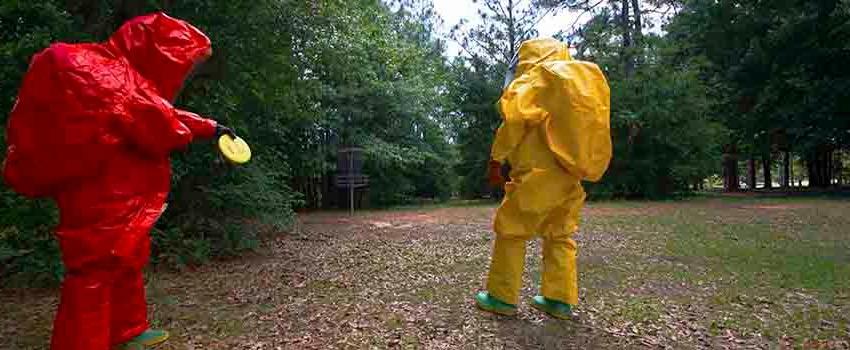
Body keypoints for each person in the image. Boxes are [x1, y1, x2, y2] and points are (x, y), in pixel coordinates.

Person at [2, 12, 234, 350]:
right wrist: (205, 129)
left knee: (127, 259)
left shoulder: (114, 73)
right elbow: (162, 125)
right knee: (96, 271)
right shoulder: (114, 78)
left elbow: (156, 111)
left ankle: (129, 329)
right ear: (156, 50)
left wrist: (210, 126)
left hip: (116, 194)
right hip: (102, 197)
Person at [475, 37, 612, 319]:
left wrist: (496, 159)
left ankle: (501, 298)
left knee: (512, 229)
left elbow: (513, 122)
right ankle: (559, 300)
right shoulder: (576, 86)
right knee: (560, 235)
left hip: (536, 176)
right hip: (569, 177)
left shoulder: (536, 81)